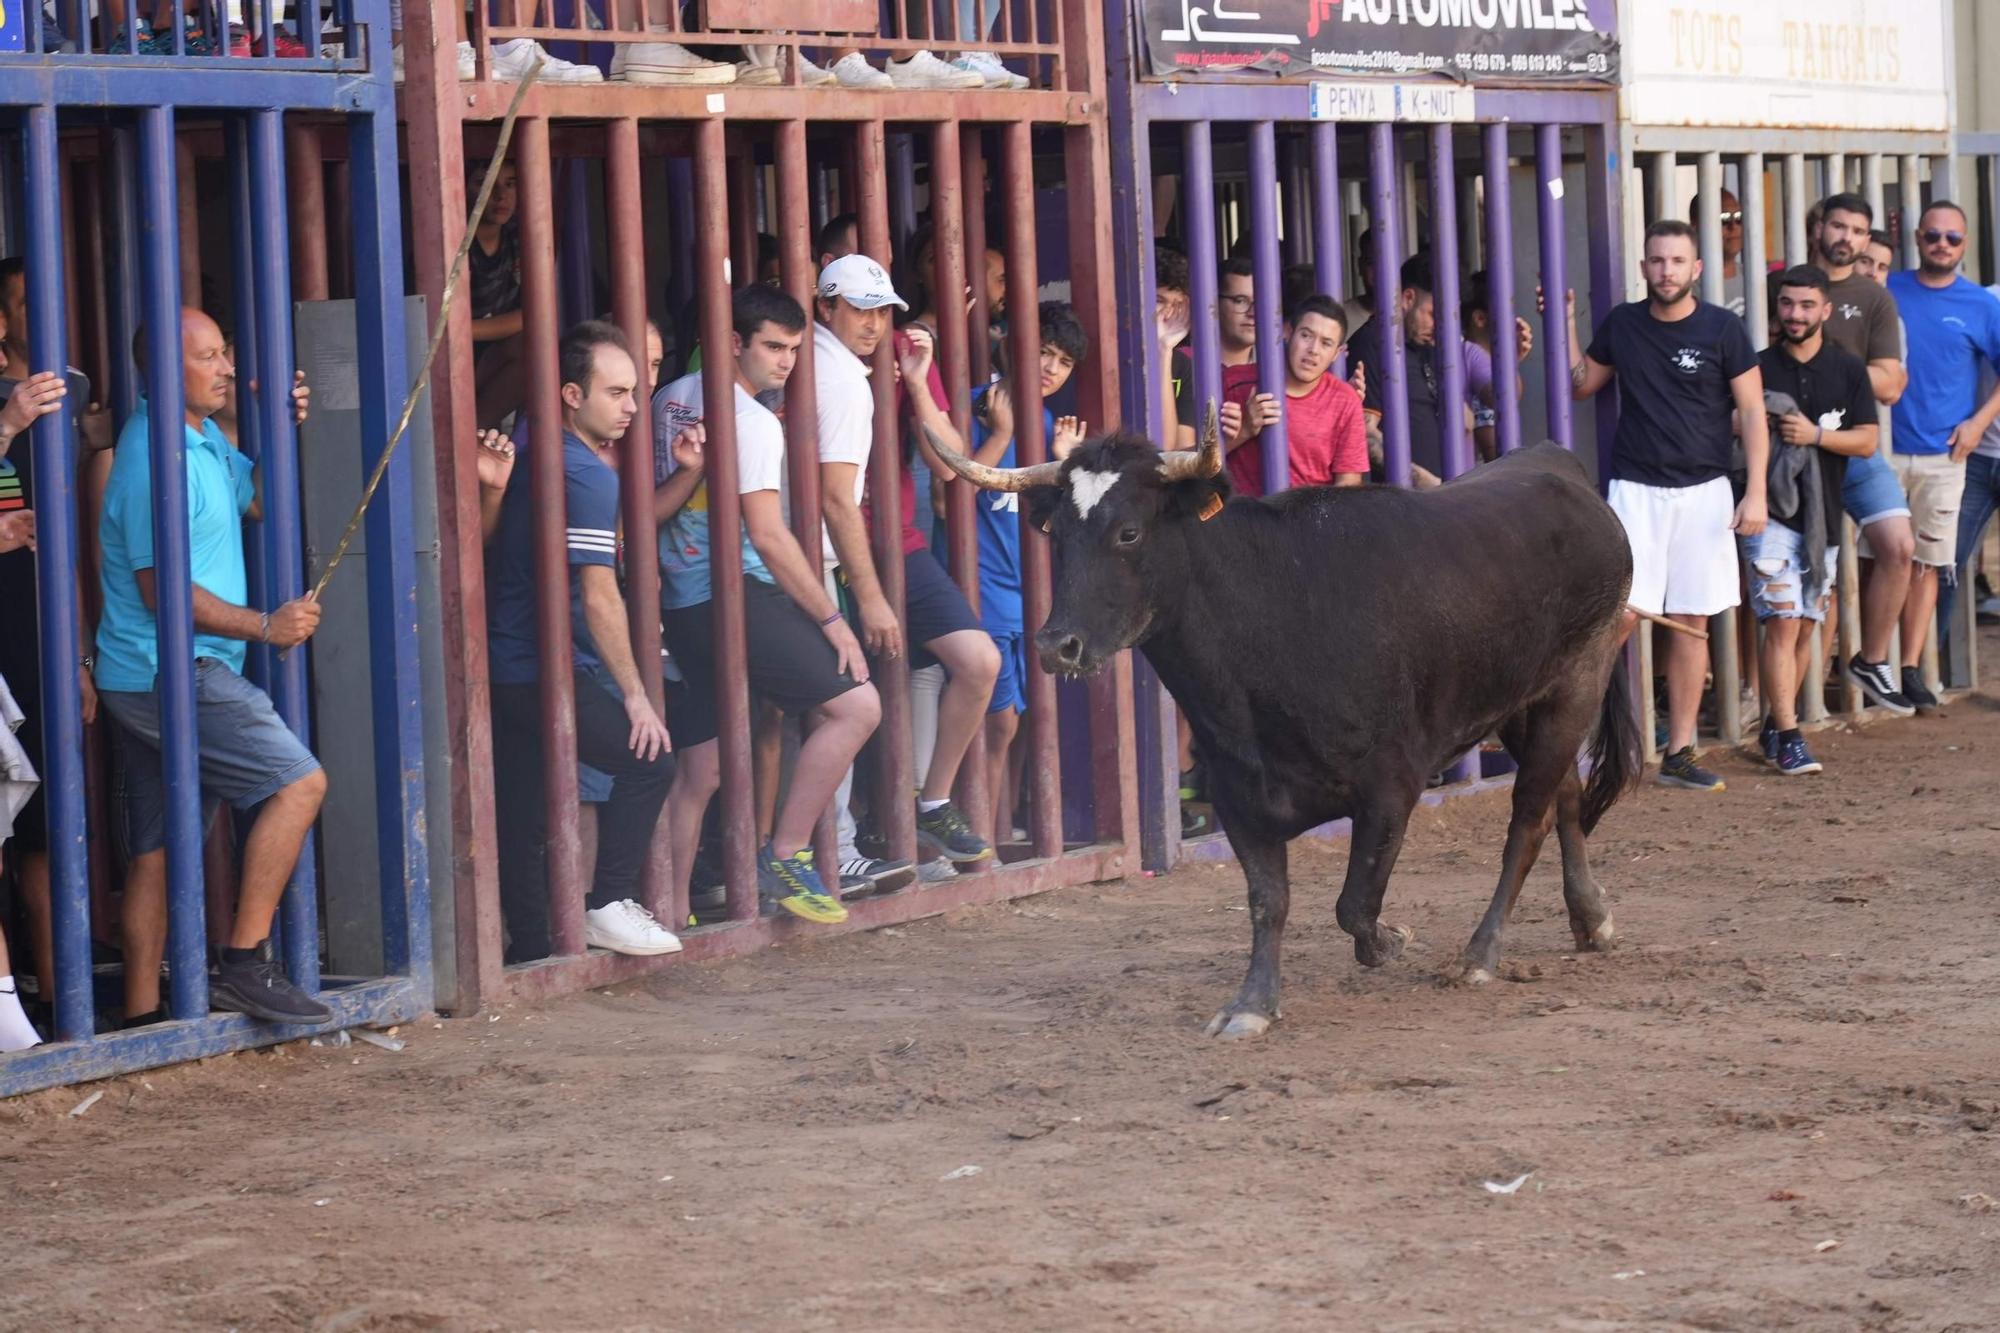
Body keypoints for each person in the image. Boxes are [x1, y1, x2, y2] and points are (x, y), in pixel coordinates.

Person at [97, 308, 331, 1025]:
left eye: (225, 353)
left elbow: (255, 500)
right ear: (167, 370)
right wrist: (265, 625)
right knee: (299, 784)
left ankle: (141, 1015)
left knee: (158, 850)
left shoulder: (199, 441)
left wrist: (278, 424)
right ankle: (244, 964)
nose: (226, 367)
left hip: (146, 672)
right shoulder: (149, 458)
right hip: (170, 669)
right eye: (210, 357)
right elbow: (158, 588)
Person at [653, 285, 879, 925]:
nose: (785, 363)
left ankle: (668, 912)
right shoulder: (749, 420)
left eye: (794, 349)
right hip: (730, 596)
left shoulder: (667, 397)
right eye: (773, 348)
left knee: (700, 766)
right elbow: (771, 537)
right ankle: (784, 852)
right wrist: (832, 619)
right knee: (859, 706)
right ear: (733, 344)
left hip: (675, 603)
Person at [485, 320, 679, 962]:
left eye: (636, 391)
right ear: (572, 394)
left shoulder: (532, 442)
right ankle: (606, 904)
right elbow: (599, 592)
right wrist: (635, 695)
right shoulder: (586, 473)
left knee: (522, 808)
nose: (632, 406)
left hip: (506, 661)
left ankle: (533, 946)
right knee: (650, 761)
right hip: (544, 666)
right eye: (617, 393)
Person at [1561, 219, 1768, 793]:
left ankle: (1679, 752)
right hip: (1636, 491)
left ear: (1696, 269)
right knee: (1617, 617)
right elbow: (1582, 384)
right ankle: (1568, 736)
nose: (1666, 270)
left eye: (1677, 261)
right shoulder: (1623, 323)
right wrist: (1565, 323)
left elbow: (1752, 413)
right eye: (1657, 260)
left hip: (1705, 493)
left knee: (1691, 623)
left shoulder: (1724, 329)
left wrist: (1756, 491)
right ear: (1645, 267)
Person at [813, 253, 998, 866]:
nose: (873, 326)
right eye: (860, 311)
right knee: (841, 700)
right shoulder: (809, 361)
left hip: (899, 543)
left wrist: (917, 382)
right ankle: (840, 847)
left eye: (881, 311)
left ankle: (933, 801)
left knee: (978, 660)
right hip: (828, 549)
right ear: (827, 308)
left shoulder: (900, 351)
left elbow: (950, 466)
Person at [1784, 194, 1919, 716]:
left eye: (1858, 231)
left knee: (1899, 546)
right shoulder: (1788, 285)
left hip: (1856, 445)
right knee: (1795, 584)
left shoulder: (1873, 297)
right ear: (1819, 227)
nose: (1847, 238)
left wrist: (1830, 374)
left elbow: (1890, 383)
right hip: (1789, 452)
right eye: (1839, 226)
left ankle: (1871, 659)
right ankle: (1776, 706)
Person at [1752, 267, 1879, 775]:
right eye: (1787, 304)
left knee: (1805, 628)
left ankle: (1773, 724)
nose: (1795, 314)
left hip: (1823, 519)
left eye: (1807, 305)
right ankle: (1788, 737)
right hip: (1771, 515)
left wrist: (1815, 436)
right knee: (1783, 623)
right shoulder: (1756, 367)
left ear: (1826, 309)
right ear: (1776, 307)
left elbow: (1868, 440)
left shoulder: (1848, 369)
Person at [969, 302, 1087, 848]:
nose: (1050, 367)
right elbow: (953, 500)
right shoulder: (984, 406)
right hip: (984, 593)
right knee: (997, 726)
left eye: (1063, 361)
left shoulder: (1045, 426)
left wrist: (1064, 464)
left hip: (1026, 598)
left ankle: (988, 841)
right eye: (1042, 351)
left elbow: (1052, 525)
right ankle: (978, 846)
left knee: (1011, 725)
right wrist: (1002, 432)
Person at [1887, 202, 2000, 710]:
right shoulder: (1888, 290)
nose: (1942, 244)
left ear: (1965, 244)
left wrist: (1977, 424)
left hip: (1947, 455)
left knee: (1930, 565)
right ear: (1917, 237)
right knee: (1889, 562)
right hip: (1887, 450)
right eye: (1934, 235)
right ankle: (1884, 667)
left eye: (1952, 238)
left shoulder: (1980, 304)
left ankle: (1912, 668)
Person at [1221, 294, 1368, 496]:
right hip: (1242, 520)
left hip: (1310, 521)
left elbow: (1348, 487)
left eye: (1326, 343)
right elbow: (1193, 462)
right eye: (1306, 335)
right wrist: (1245, 429)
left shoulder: (1345, 401)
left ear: (1337, 353)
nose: (1313, 350)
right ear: (1288, 332)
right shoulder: (1233, 382)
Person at [1156, 245, 1198, 449]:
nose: (1168, 313)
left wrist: (1164, 351)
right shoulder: (1112, 355)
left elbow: (1167, 449)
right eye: (1159, 300)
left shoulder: (1183, 366)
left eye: (1177, 305)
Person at [1690, 188, 1748, 318]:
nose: (1734, 226)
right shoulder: (1687, 290)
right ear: (1695, 226)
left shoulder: (1753, 277)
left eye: (1739, 217)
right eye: (1723, 219)